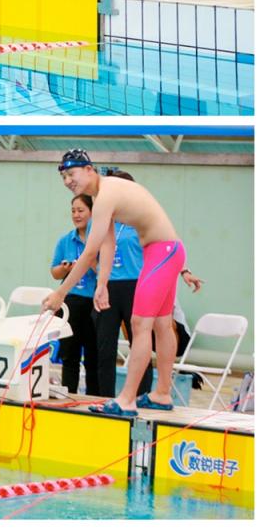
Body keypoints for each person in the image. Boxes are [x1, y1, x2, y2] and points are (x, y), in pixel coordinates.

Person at [42, 150, 202, 415]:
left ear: (89, 170)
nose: (67, 181)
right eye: (64, 177)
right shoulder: (102, 197)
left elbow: (90, 252)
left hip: (162, 252)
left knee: (140, 324)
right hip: (165, 251)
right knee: (162, 324)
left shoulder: (106, 194)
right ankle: (162, 393)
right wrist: (102, 283)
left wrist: (60, 293)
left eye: (71, 174)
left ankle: (127, 399)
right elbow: (108, 243)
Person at [93, 168, 203, 399]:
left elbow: (164, 245)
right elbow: (99, 251)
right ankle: (107, 395)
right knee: (105, 347)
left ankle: (139, 393)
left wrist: (184, 270)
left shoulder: (139, 219)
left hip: (137, 283)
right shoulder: (110, 219)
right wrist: (100, 282)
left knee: (143, 333)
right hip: (111, 285)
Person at [51, 194, 101, 396]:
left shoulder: (101, 241)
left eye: (81, 210)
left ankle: (94, 397)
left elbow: (107, 272)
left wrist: (88, 261)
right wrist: (65, 269)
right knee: (69, 354)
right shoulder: (65, 240)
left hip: (94, 302)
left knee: (93, 356)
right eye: (73, 211)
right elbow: (55, 273)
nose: (76, 215)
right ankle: (68, 395)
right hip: (71, 302)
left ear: (92, 212)